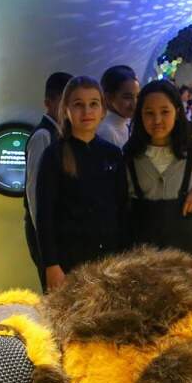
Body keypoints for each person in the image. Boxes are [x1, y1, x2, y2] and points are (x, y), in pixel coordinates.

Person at [36, 76, 130, 291]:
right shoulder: (53, 155)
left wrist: (124, 257)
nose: (86, 111)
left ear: (103, 110)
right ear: (66, 110)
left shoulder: (113, 154)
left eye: (93, 104)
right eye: (78, 104)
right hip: (68, 261)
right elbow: (44, 215)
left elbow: (122, 209)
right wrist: (51, 264)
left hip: (108, 260)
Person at [124, 79, 192, 257]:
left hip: (185, 255)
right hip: (142, 257)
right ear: (140, 115)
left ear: (177, 112)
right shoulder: (131, 155)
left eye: (165, 112)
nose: (157, 120)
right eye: (149, 113)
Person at [23, 71, 72, 286]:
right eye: (63, 102)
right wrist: (44, 241)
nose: (68, 109)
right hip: (46, 232)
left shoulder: (63, 134)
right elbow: (35, 193)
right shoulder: (43, 136)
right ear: (48, 103)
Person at [96, 65, 138, 149]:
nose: (135, 103)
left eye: (137, 96)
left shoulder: (129, 122)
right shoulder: (107, 132)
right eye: (127, 97)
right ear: (108, 97)